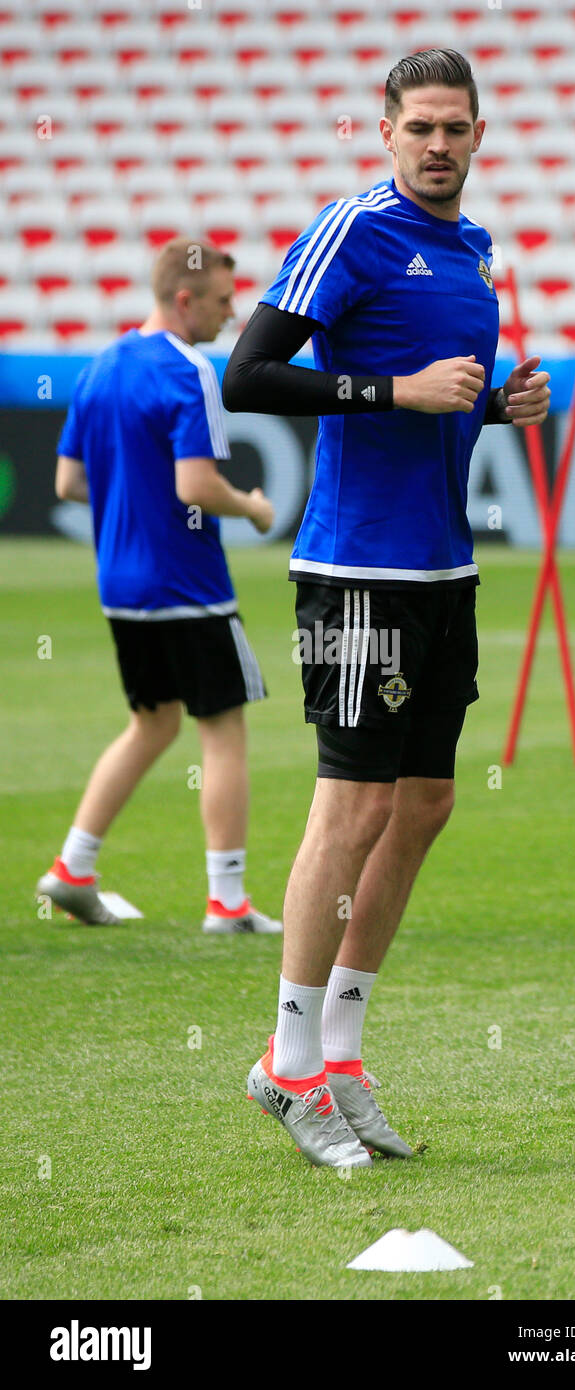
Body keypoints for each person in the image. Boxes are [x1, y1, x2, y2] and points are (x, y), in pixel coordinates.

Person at [224, 49, 551, 1167]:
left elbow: (438, 407)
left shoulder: (474, 250)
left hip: (442, 569)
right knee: (350, 812)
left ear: (479, 133)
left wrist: (500, 409)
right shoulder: (350, 228)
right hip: (358, 569)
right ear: (385, 131)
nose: (438, 145)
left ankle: (345, 1055)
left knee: (425, 804)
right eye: (419, 126)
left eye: (455, 127)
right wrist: (392, 390)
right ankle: (287, 1061)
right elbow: (249, 375)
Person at [37, 237, 281, 936]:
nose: (232, 315)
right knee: (224, 729)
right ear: (185, 299)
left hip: (121, 582)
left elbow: (68, 482)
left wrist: (130, 507)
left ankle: (74, 868)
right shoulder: (189, 370)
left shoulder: (101, 366)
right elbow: (195, 486)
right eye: (224, 301)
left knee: (152, 722)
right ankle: (227, 901)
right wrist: (255, 507)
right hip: (188, 581)